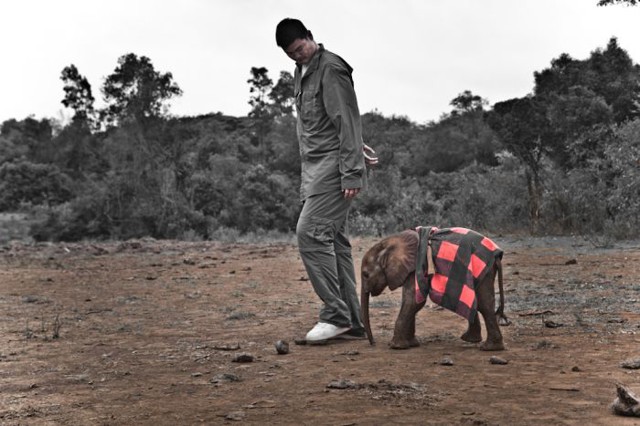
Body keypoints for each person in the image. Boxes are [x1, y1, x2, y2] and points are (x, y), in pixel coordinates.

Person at [275, 18, 379, 342]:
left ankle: (335, 315)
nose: (297, 57)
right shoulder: (301, 72)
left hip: (334, 170)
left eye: (300, 49)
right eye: (291, 54)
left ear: (310, 37)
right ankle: (352, 321)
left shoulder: (331, 68)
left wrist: (351, 168)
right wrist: (353, 143)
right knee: (334, 242)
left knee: (309, 233)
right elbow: (325, 119)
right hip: (315, 168)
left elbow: (346, 116)